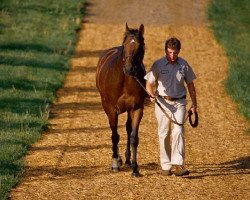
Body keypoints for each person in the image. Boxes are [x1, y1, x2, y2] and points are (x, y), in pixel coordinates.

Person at [144, 37, 197, 176]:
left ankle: (179, 165)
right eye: (169, 52)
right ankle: (166, 166)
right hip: (162, 102)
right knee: (164, 133)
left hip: (179, 103)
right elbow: (149, 83)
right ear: (165, 51)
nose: (172, 55)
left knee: (178, 130)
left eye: (174, 52)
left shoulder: (184, 65)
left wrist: (194, 104)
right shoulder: (158, 65)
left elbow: (191, 85)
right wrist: (151, 94)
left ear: (179, 51)